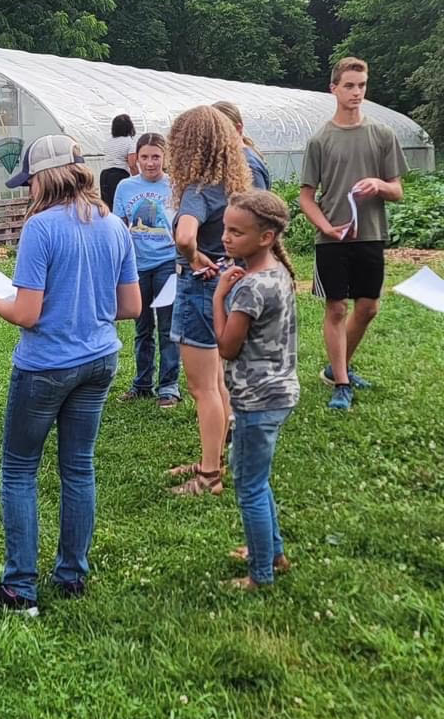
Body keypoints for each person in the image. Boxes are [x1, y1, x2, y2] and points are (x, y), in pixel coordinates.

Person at [0, 135, 141, 615]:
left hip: (45, 366)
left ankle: (19, 587)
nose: (27, 192)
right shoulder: (114, 225)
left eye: (28, 182)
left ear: (44, 179)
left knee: (21, 470)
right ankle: (72, 575)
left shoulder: (40, 228)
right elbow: (131, 306)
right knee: (78, 467)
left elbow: (26, 313)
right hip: (100, 360)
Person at [299, 57, 407, 410]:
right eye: (349, 85)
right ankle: (341, 383)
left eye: (361, 85)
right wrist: (326, 227)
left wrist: (378, 184)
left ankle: (336, 366)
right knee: (335, 309)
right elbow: (306, 197)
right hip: (333, 238)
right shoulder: (320, 140)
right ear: (334, 89)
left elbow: (397, 190)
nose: (356, 92)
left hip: (371, 234)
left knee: (369, 307)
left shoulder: (382, 135)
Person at [213, 191, 299, 589]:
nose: (226, 238)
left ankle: (260, 573)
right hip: (280, 393)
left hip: (255, 400)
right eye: (226, 229)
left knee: (248, 486)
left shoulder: (248, 289)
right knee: (258, 480)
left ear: (266, 237)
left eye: (237, 232)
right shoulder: (277, 272)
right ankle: (273, 553)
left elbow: (227, 346)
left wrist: (218, 298)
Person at [166, 105, 251, 496]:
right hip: (228, 286)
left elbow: (185, 236)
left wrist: (194, 257)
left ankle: (209, 477)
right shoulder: (234, 184)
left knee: (203, 388)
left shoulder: (198, 191)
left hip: (200, 288)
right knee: (218, 380)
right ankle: (213, 457)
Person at [113, 132, 181, 407]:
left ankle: (169, 386)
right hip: (136, 266)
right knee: (141, 327)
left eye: (156, 156)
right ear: (136, 158)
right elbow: (118, 226)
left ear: (165, 158)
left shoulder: (176, 186)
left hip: (167, 263)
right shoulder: (125, 187)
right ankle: (141, 383)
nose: (150, 163)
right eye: (144, 157)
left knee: (167, 327)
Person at [213, 101, 271, 191]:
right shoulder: (232, 157)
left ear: (238, 128)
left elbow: (258, 203)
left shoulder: (249, 164)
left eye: (220, 131)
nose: (214, 137)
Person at [100, 113, 138, 208]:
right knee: (121, 205)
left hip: (105, 175)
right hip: (119, 175)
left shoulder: (108, 141)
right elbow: (132, 165)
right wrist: (138, 180)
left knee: (107, 205)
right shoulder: (129, 142)